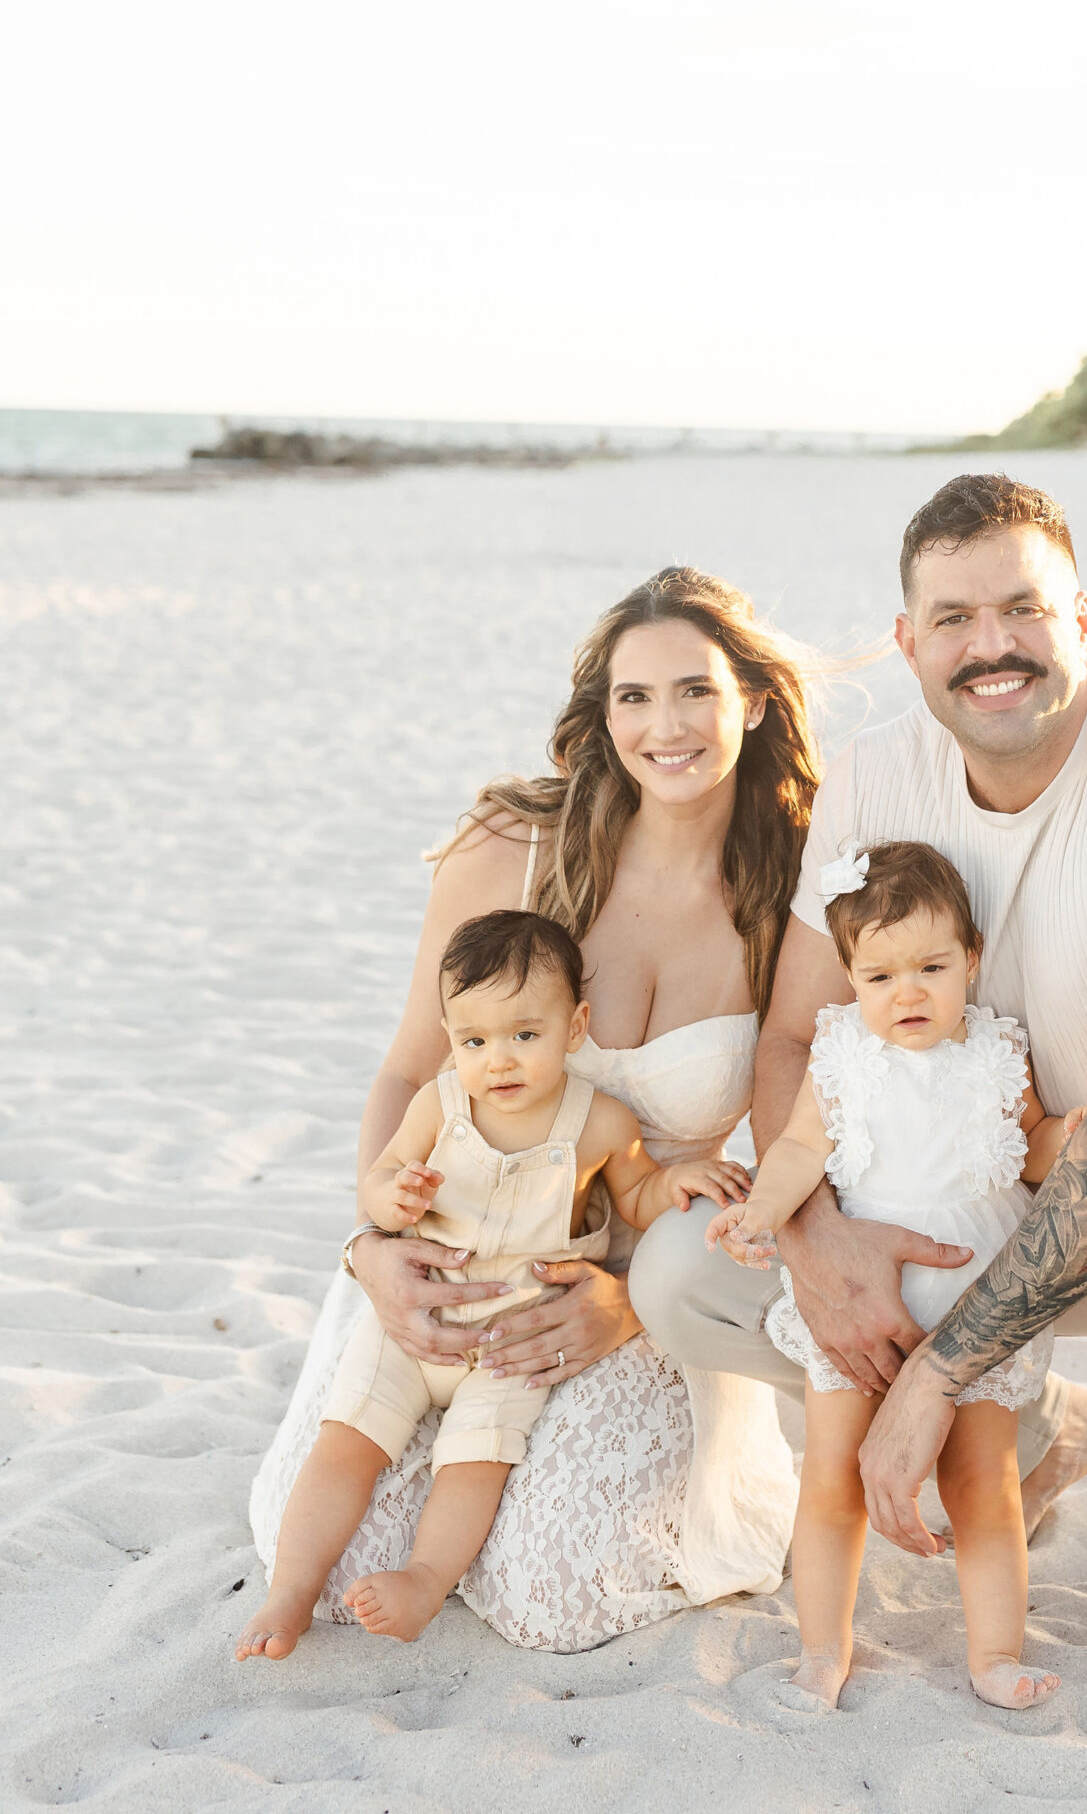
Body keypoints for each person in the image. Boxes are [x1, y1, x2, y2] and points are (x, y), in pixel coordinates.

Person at [631, 475, 1087, 1669]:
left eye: (1022, 610)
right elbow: (794, 1040)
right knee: (683, 1274)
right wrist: (820, 1242)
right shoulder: (876, 783)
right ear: (908, 641)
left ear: (1082, 617)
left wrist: (937, 1371)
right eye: (953, 618)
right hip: (978, 1199)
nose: (991, 647)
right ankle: (1039, 1432)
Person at [249, 565, 817, 1652]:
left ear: (753, 698)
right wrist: (370, 1247)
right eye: (634, 697)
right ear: (601, 719)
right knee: (332, 1563)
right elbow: (406, 1072)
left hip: (638, 1283)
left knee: (555, 1596)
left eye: (694, 690)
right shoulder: (511, 849)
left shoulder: (788, 888)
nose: (668, 726)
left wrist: (630, 1300)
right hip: (448, 1261)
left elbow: (802, 1128)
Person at [239, 909, 747, 1658]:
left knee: (473, 1464)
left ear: (574, 1028)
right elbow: (381, 1180)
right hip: (413, 1329)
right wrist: (394, 1199)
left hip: (515, 1336)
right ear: (451, 1040)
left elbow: (636, 1196)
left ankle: (424, 1578)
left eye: (523, 1035)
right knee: (345, 1443)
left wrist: (679, 1182)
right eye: (474, 1041)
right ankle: (289, 1592)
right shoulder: (439, 1106)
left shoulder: (598, 1122)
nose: (498, 1061)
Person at [707, 841, 1083, 1713]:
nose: (906, 992)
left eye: (930, 966)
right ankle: (820, 1653)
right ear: (848, 978)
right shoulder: (842, 1054)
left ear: (972, 959)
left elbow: (1028, 1149)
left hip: (975, 1297)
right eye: (878, 976)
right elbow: (801, 1146)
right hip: (858, 1299)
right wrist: (762, 1210)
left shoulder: (997, 1050)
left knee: (979, 1483)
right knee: (833, 1476)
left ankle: (994, 1655)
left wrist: (1079, 1135)